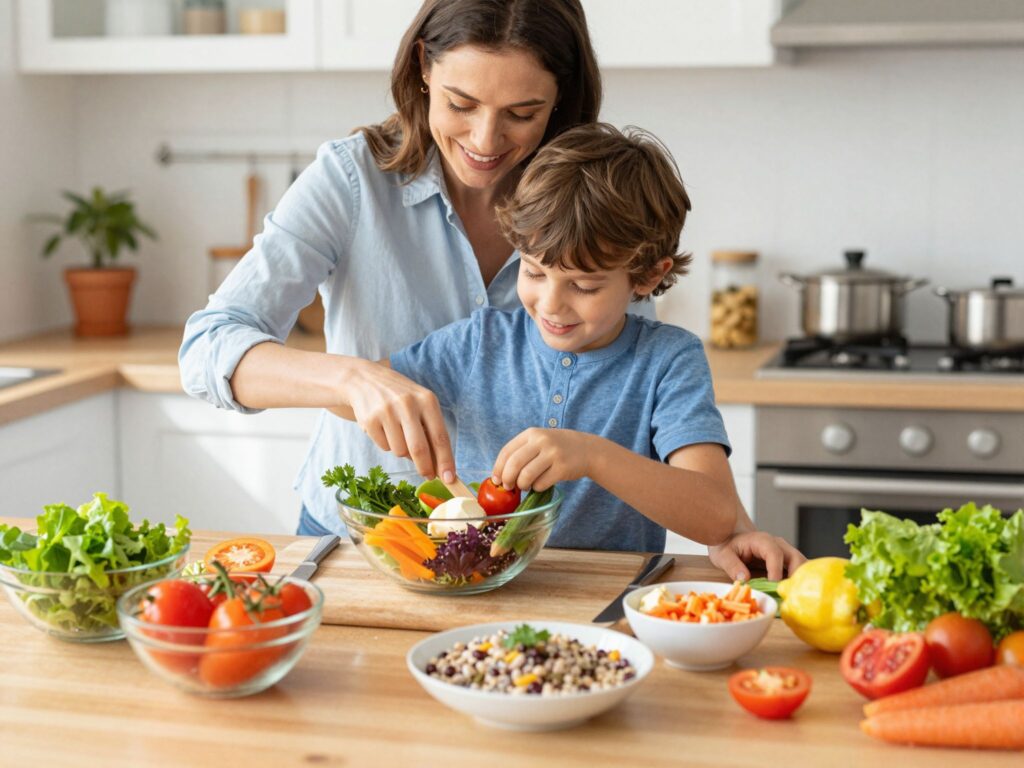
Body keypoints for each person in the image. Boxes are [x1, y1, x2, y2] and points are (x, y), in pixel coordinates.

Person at [179, 0, 801, 577]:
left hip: (564, 576)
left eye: (522, 114)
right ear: (424, 68)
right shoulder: (351, 180)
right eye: (461, 103)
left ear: (559, 99)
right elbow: (209, 346)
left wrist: (731, 529)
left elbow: (644, 403)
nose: (484, 140)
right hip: (369, 549)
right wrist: (351, 380)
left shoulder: (586, 197)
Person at [330, 123, 805, 568]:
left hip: (607, 595)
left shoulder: (668, 361)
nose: (551, 304)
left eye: (583, 286)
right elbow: (352, 395)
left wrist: (592, 456)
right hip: (483, 584)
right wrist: (370, 390)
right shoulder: (480, 342)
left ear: (646, 277)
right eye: (533, 272)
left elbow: (715, 515)